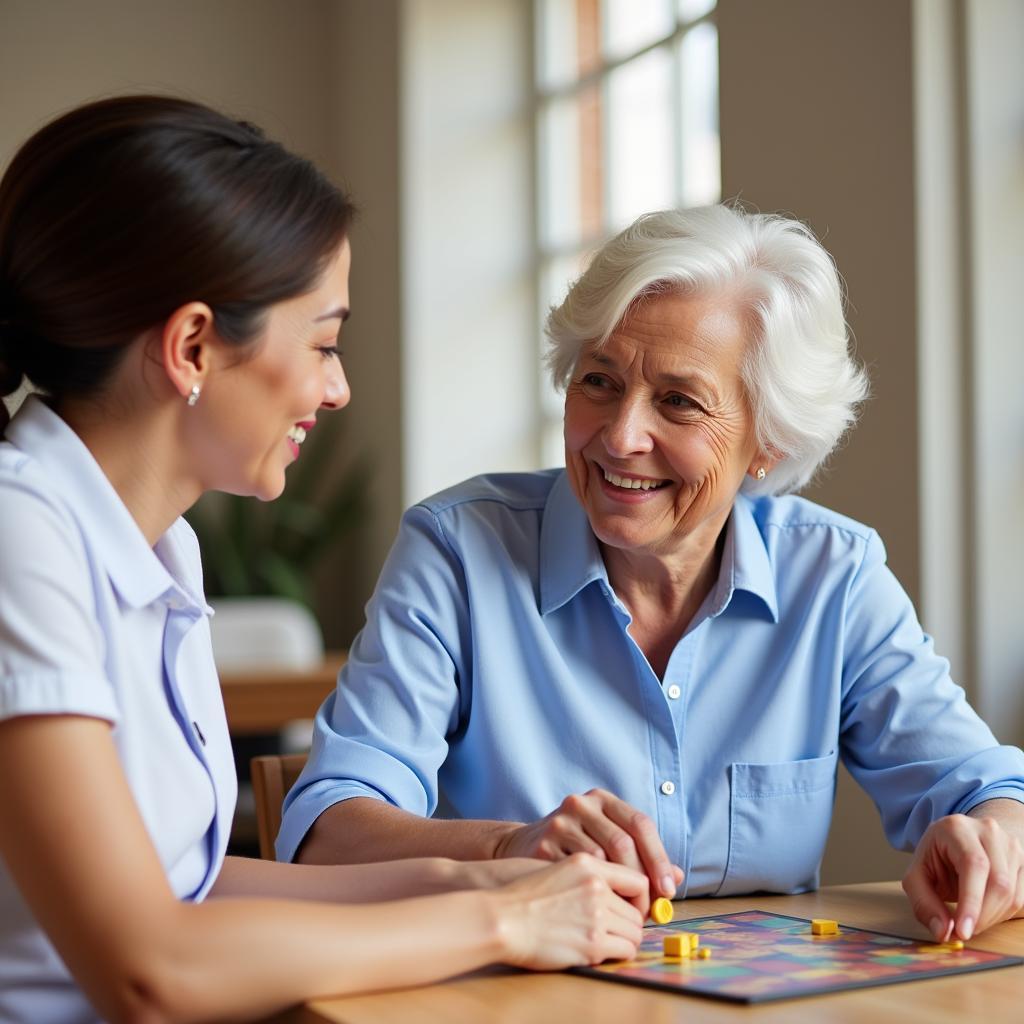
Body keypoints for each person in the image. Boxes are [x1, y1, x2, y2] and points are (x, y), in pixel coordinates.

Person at [0, 96, 647, 1024]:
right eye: (324, 344)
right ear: (190, 347)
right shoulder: (20, 530)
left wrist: (488, 877)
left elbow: (187, 892)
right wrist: (501, 927)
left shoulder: (157, 544)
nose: (338, 389)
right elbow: (149, 969)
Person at [283, 204, 1024, 944]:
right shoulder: (458, 550)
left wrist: (992, 842)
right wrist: (507, 850)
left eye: (677, 401)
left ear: (767, 439)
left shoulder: (833, 574)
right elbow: (326, 832)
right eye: (599, 380)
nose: (620, 435)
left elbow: (988, 786)